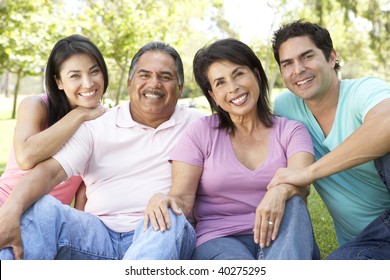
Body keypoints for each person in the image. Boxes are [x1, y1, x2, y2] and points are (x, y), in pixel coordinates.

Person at [0, 41, 204, 260]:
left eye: (165, 77)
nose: (154, 83)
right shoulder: (96, 125)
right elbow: (48, 173)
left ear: (180, 87)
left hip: (157, 234)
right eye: (144, 75)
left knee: (169, 214)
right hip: (99, 237)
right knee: (42, 208)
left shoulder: (199, 124)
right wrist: (10, 212)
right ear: (129, 82)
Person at [143, 38, 320, 260]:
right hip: (220, 239)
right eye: (220, 83)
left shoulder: (292, 131)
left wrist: (280, 190)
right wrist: (161, 199)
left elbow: (301, 182)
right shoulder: (200, 132)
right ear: (212, 95)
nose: (233, 87)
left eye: (238, 74)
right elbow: (182, 199)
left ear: (256, 74)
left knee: (292, 201)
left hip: (283, 233)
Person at [269, 19, 390, 259]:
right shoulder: (285, 107)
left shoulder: (363, 90)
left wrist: (309, 173)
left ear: (331, 57)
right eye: (287, 63)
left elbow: (386, 122)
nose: (298, 69)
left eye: (307, 56)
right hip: (368, 242)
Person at [0, 34, 107, 209]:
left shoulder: (101, 122)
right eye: (75, 76)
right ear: (58, 81)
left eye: (94, 71)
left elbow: (86, 188)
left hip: (48, 221)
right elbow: (26, 157)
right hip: (6, 204)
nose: (88, 83)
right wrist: (78, 115)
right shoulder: (36, 105)